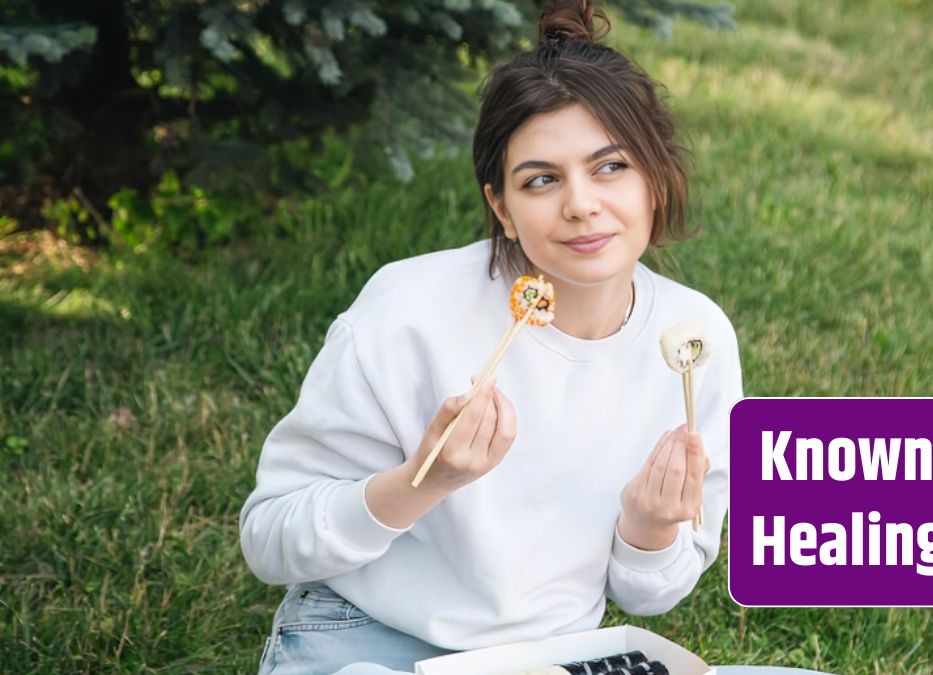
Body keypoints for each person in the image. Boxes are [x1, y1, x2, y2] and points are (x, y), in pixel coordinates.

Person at [240, 1, 744, 673]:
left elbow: (649, 596)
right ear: (502, 207)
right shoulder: (407, 309)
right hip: (366, 639)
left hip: (547, 656)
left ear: (655, 177)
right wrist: (421, 481)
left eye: (610, 166)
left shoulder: (694, 341)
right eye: (541, 179)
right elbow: (268, 538)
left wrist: (652, 529)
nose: (581, 204)